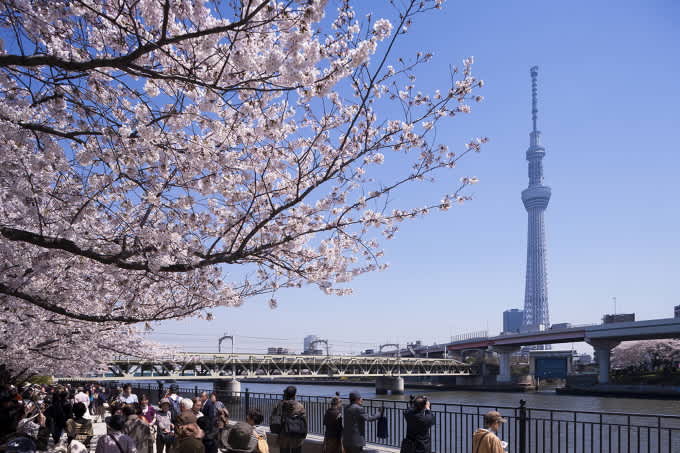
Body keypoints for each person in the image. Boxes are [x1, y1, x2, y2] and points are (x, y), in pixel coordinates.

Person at [270, 386, 306, 453]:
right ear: (294, 395)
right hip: (296, 434)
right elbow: (303, 421)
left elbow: (273, 417)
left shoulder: (279, 405)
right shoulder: (300, 406)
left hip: (283, 434)